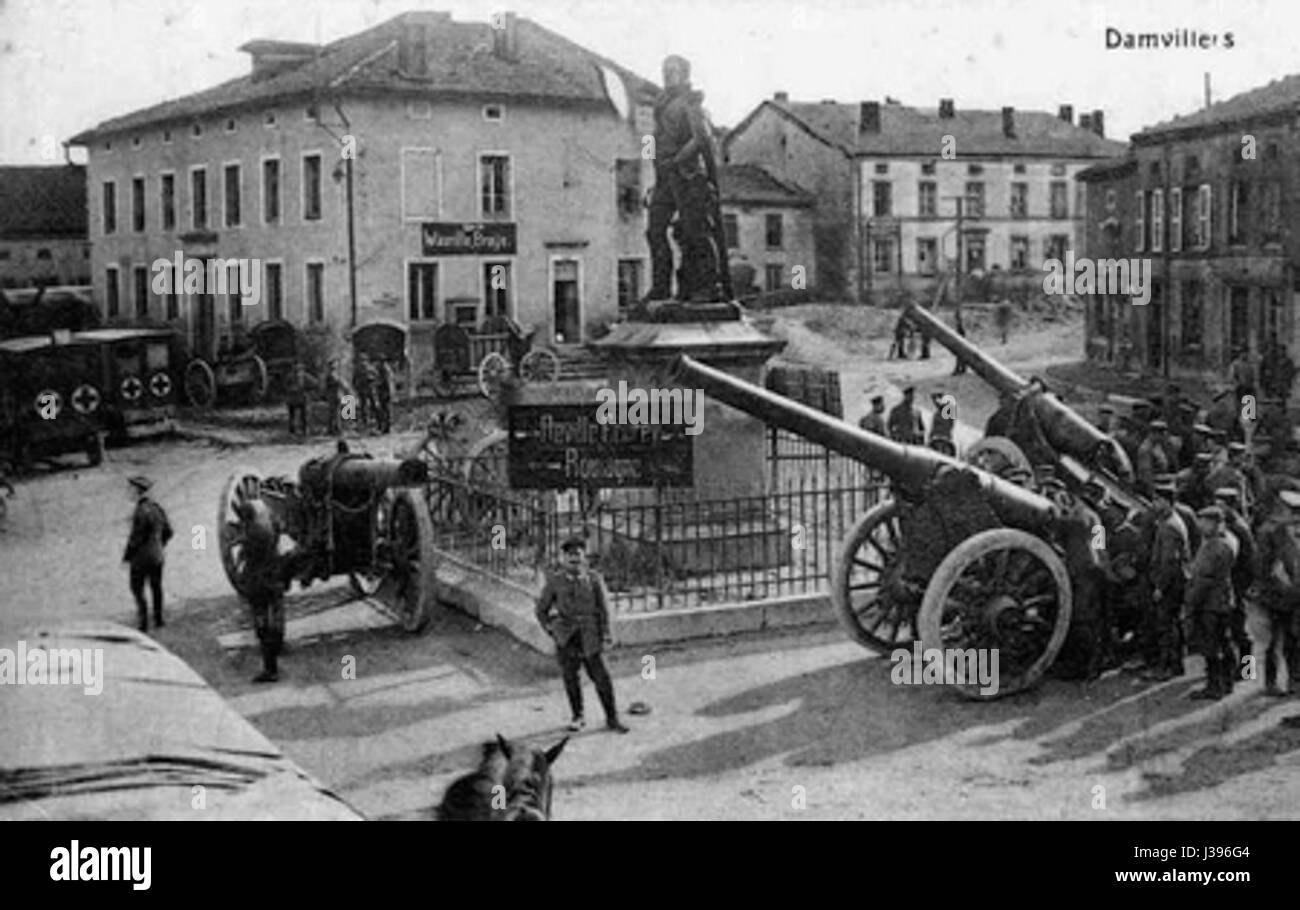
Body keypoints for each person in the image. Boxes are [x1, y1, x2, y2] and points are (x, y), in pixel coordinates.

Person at [644, 55, 720, 304]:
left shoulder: (690, 102)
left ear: (685, 74)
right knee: (655, 230)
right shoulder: (661, 105)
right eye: (664, 71)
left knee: (695, 232)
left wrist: (676, 161)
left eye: (673, 71)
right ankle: (661, 287)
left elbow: (701, 139)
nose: (667, 75)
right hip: (665, 177)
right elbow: (652, 143)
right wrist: (656, 175)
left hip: (687, 175)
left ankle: (705, 287)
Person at [535, 535, 629, 734]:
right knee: (571, 677)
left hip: (590, 636)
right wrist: (552, 629)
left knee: (602, 677)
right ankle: (578, 716)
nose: (574, 560)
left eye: (578, 555)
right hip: (567, 637)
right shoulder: (555, 581)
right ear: (563, 558)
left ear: (584, 557)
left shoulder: (594, 579)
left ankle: (612, 718)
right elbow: (541, 610)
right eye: (570, 556)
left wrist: (606, 635)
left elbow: (604, 609)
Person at [1184, 505, 1238, 699]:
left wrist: (1191, 602)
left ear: (1216, 524)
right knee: (1224, 642)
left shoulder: (1214, 547)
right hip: (1223, 600)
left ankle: (1215, 686)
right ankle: (1228, 682)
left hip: (1210, 603)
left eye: (1206, 522)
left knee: (1212, 646)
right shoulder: (1226, 542)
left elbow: (1204, 580)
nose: (1201, 525)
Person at [235, 494, 287, 683]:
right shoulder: (269, 527)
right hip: (274, 580)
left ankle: (270, 670)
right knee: (273, 621)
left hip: (259, 586)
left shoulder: (252, 535)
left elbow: (248, 560)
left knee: (262, 628)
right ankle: (274, 657)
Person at [1142, 479, 1190, 681]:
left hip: (1170, 583)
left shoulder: (1168, 527)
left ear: (1168, 502)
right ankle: (1175, 665)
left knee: (1166, 626)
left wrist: (1160, 586)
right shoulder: (1170, 521)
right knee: (1172, 624)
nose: (1154, 504)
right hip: (1176, 580)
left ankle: (1166, 667)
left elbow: (1169, 561)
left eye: (1157, 500)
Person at [1257, 489, 1300, 696]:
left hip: (1293, 597)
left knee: (1292, 640)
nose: (1295, 518)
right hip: (1274, 597)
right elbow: (1264, 567)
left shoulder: (1292, 532)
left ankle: (1294, 680)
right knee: (1270, 642)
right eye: (1293, 513)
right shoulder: (1269, 532)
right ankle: (1266, 681)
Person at [122, 475, 173, 634]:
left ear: (138, 491)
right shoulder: (157, 508)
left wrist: (127, 556)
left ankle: (143, 622)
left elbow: (135, 539)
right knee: (156, 587)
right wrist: (159, 545)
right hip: (157, 556)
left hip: (141, 559)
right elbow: (169, 531)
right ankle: (158, 619)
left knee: (137, 588)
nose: (128, 492)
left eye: (130, 489)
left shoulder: (140, 512)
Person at [1135, 419, 1172, 497]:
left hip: (1161, 483)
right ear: (1155, 433)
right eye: (1162, 434)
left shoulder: (1157, 445)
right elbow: (1145, 474)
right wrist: (1153, 494)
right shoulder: (1146, 449)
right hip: (1149, 488)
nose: (1164, 437)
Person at [285, 361, 314, 437]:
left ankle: (303, 431)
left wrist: (307, 389)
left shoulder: (305, 376)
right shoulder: (291, 377)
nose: (298, 372)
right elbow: (285, 386)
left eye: (299, 369)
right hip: (294, 399)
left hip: (300, 398)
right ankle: (294, 431)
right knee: (294, 416)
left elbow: (315, 383)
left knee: (302, 416)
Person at [352, 352, 375, 432]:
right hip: (362, 389)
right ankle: (365, 421)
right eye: (361, 360)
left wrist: (371, 380)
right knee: (363, 406)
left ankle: (372, 420)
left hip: (369, 389)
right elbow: (354, 379)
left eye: (364, 360)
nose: (363, 362)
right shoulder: (358, 369)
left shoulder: (370, 368)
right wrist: (356, 387)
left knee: (373, 404)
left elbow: (376, 376)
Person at [324, 360, 345, 436]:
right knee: (335, 413)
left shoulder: (334, 374)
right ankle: (336, 429)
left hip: (335, 395)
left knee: (334, 413)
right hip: (334, 395)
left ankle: (331, 429)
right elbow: (338, 383)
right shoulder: (332, 375)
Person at [373, 357, 394, 435]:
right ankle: (385, 427)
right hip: (383, 392)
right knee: (384, 410)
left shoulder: (385, 370)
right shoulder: (384, 370)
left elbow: (386, 382)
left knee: (385, 410)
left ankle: (386, 427)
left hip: (385, 392)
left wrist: (377, 384)